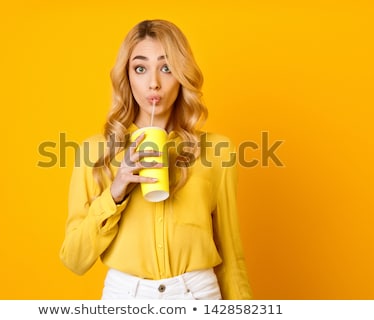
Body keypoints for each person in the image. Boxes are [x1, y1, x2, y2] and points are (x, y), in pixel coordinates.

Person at [59, 19, 252, 300]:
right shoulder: (95, 152)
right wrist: (115, 193)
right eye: (140, 68)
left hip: (198, 295)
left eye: (166, 68)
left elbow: (232, 255)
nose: (153, 83)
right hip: (125, 298)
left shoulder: (217, 151)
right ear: (127, 76)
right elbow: (74, 260)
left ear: (182, 74)